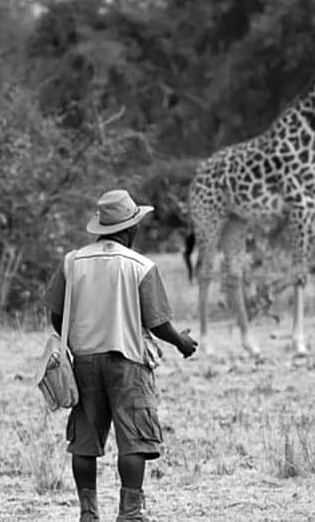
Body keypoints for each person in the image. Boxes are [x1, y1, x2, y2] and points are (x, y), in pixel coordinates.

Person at [43, 189, 199, 522]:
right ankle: (130, 513)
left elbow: (58, 314)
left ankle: (88, 513)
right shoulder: (141, 266)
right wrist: (181, 341)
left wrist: (73, 338)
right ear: (129, 229)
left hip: (83, 362)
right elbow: (158, 323)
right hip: (128, 362)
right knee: (135, 441)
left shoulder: (72, 261)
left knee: (84, 441)